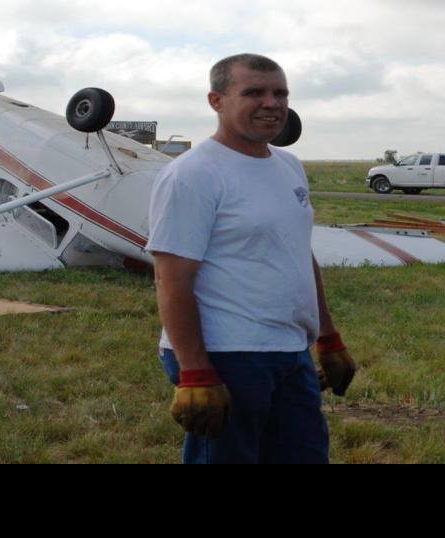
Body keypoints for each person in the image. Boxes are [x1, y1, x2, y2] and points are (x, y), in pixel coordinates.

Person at [147, 53, 356, 464]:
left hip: (289, 349)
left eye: (280, 93)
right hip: (227, 355)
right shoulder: (193, 174)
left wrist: (328, 338)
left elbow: (298, 253)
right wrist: (195, 373)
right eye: (254, 92)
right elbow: (171, 279)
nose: (272, 103)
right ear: (217, 101)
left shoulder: (289, 167)